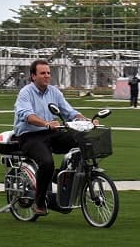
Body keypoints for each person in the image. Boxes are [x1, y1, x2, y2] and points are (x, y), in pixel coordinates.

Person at [13, 59, 93, 216]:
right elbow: (27, 115)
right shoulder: (25, 93)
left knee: (81, 142)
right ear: (33, 76)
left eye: (48, 73)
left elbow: (69, 112)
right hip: (30, 136)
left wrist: (86, 121)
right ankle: (39, 202)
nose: (47, 76)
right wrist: (46, 123)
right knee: (47, 162)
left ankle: (62, 178)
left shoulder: (54, 92)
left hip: (51, 133)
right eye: (42, 73)